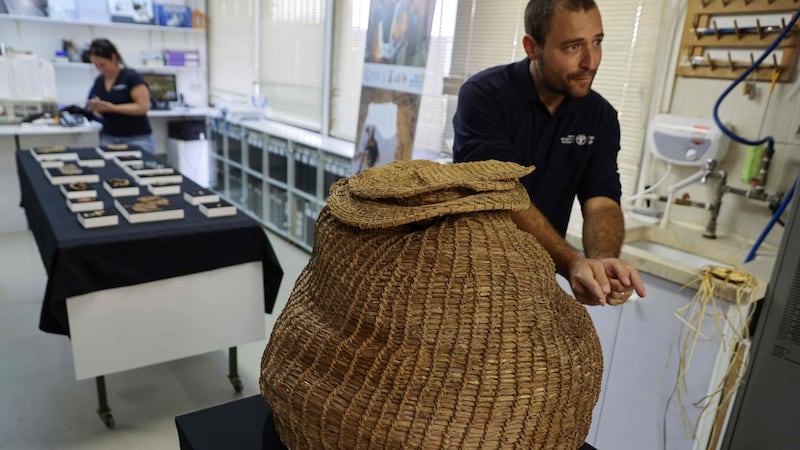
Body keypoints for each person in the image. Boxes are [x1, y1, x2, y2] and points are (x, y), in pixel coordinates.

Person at [452, 0, 646, 307]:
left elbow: (602, 200)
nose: (590, 61)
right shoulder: (484, 96)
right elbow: (503, 193)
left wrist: (603, 263)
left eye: (597, 42)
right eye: (573, 47)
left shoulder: (601, 117)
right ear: (532, 47)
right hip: (462, 274)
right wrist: (571, 263)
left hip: (533, 284)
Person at [85, 38, 155, 154]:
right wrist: (96, 108)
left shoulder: (131, 77)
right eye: (96, 65)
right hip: (109, 137)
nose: (100, 69)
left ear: (113, 58)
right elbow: (99, 112)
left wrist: (113, 108)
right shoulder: (99, 81)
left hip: (137, 138)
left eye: (103, 64)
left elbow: (143, 107)